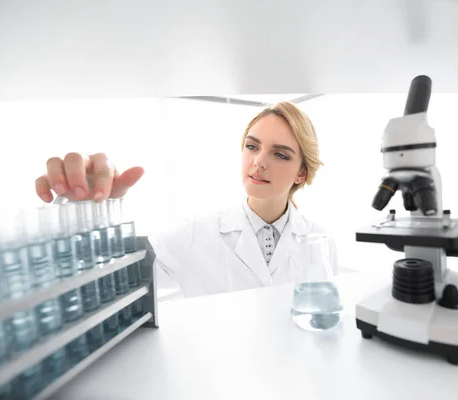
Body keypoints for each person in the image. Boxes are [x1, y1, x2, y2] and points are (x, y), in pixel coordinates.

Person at [35, 101, 338, 298]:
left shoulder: (320, 240)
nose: (259, 161)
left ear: (301, 173)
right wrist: (87, 211)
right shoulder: (196, 233)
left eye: (280, 154)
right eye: (251, 146)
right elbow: (106, 285)